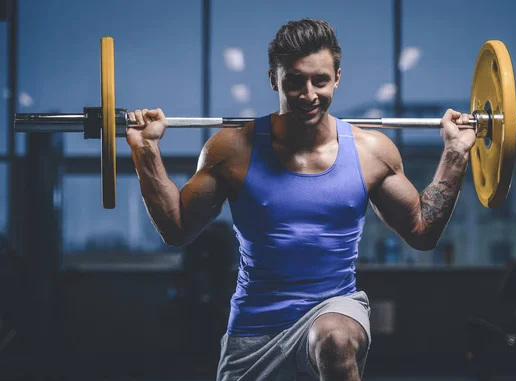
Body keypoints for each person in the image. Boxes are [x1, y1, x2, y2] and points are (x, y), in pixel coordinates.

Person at [126, 18, 475, 381]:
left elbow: (422, 232)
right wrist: (145, 150)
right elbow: (177, 228)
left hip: (335, 309)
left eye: (320, 81)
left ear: (337, 77)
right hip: (255, 329)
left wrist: (455, 153)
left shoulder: (371, 151)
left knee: (334, 340)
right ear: (274, 79)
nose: (309, 95)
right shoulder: (232, 149)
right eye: (294, 80)